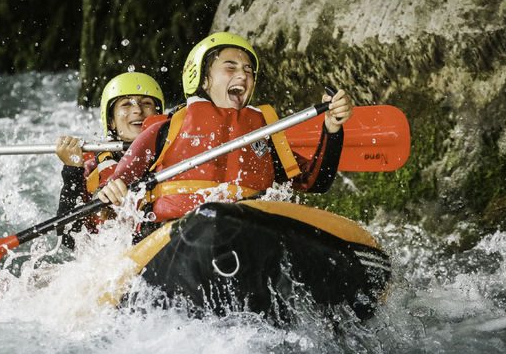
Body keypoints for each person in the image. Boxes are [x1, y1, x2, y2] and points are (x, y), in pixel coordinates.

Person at [95, 32, 353, 234]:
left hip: (249, 230)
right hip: (176, 235)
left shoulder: (264, 134)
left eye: (249, 70)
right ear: (203, 80)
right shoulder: (165, 128)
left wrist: (332, 128)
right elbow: (116, 185)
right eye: (231, 67)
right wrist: (110, 190)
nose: (243, 74)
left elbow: (314, 181)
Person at [55, 71, 165, 247]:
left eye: (146, 103)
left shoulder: (174, 152)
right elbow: (68, 237)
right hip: (112, 255)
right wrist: (72, 170)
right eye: (126, 104)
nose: (137, 110)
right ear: (112, 121)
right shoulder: (93, 168)